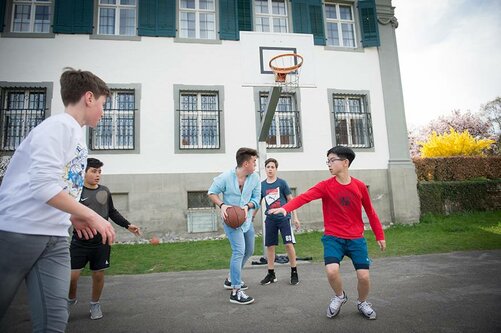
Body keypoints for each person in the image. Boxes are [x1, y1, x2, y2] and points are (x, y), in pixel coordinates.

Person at [0, 68, 116, 332]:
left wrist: (72, 214)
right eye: (102, 104)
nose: (103, 111)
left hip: (55, 237)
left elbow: (59, 186)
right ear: (89, 98)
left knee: (54, 322)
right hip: (18, 232)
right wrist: (90, 214)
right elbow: (42, 186)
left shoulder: (77, 135)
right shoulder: (57, 127)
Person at [269, 146, 386, 320]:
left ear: (345, 163)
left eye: (332, 160)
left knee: (364, 276)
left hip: (356, 238)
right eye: (328, 161)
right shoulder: (325, 186)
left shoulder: (359, 186)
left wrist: (380, 235)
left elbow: (370, 211)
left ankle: (362, 302)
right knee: (332, 271)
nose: (329, 164)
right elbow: (304, 197)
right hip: (333, 238)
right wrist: (285, 209)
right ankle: (340, 296)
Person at [68, 158, 141, 320]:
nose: (98, 175)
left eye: (99, 171)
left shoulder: (105, 191)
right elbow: (67, 213)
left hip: (101, 242)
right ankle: (70, 298)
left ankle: (95, 304)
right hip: (79, 242)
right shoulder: (76, 192)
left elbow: (112, 212)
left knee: (98, 274)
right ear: (84, 172)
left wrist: (128, 225)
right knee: (72, 276)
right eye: (93, 171)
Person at [208, 148, 261, 305]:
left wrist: (247, 206)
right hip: (231, 221)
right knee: (238, 251)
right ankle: (236, 291)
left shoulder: (255, 178)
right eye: (254, 162)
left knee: (249, 250)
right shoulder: (225, 177)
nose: (255, 165)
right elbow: (211, 192)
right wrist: (222, 205)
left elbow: (257, 197)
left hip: (246, 219)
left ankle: (231, 279)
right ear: (246, 163)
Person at [254, 158, 301, 286]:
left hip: (284, 219)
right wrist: (251, 216)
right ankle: (271, 274)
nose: (270, 169)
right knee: (270, 246)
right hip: (270, 220)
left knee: (288, 245)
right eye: (268, 167)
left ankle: (294, 272)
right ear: (265, 169)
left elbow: (292, 201)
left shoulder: (282, 183)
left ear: (276, 169)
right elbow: (257, 203)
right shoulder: (262, 185)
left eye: (272, 167)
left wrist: (295, 218)